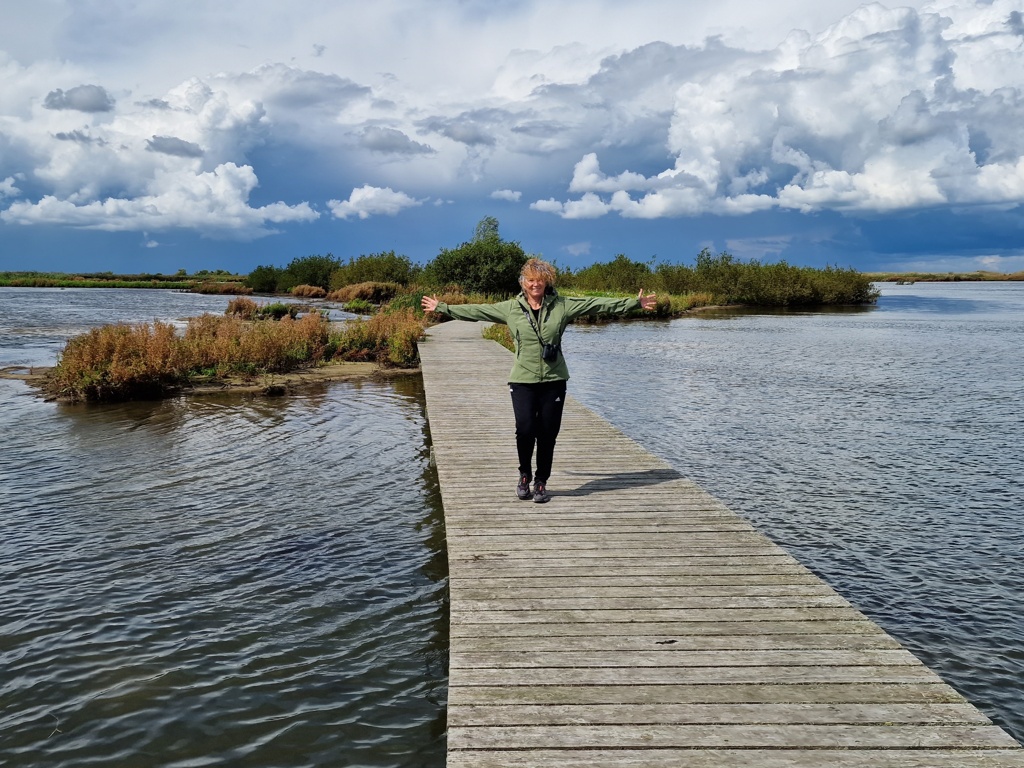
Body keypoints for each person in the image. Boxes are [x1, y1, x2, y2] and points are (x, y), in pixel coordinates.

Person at [421, 258, 657, 503]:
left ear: (547, 282)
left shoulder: (562, 306)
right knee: (525, 430)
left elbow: (596, 305)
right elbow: (477, 310)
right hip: (522, 379)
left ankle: (541, 481)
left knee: (547, 434)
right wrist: (443, 307)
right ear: (523, 283)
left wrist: (633, 303)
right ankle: (524, 475)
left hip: (554, 380)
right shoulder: (510, 308)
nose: (536, 284)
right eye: (531, 280)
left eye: (540, 280)